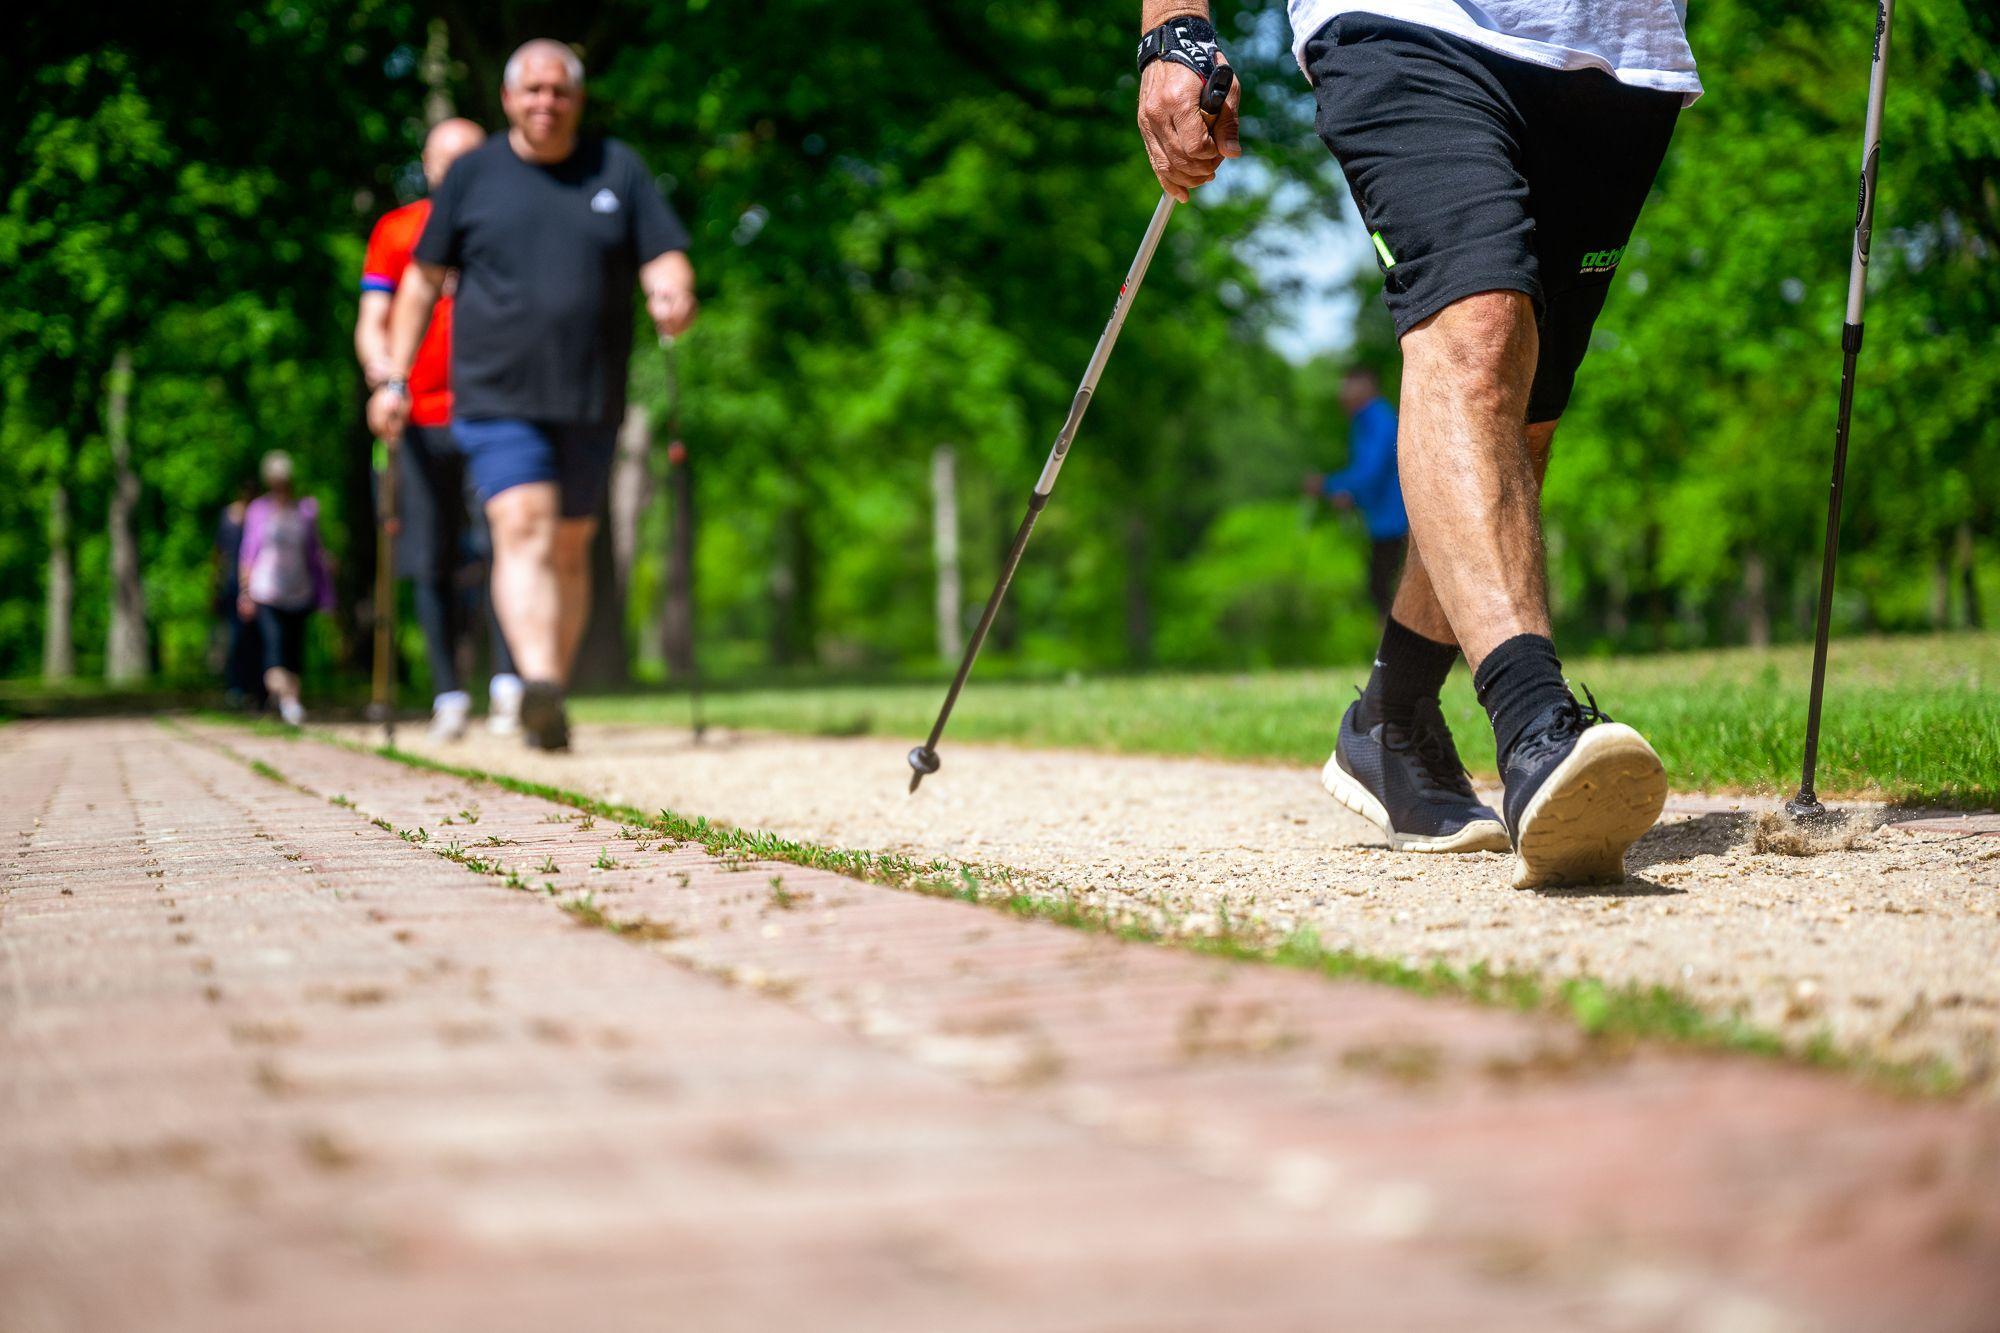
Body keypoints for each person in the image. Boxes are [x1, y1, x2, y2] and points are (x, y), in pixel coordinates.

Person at [1136, 2, 1685, 885]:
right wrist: (1173, 29)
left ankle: (1390, 724)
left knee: (1523, 425)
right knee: (1477, 332)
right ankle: (1534, 725)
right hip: (1406, 21)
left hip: (1617, 50)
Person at [369, 39, 698, 751]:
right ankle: (539, 685)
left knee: (573, 546)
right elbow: (422, 280)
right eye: (533, 91)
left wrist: (673, 289)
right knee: (522, 524)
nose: (546, 103)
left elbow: (662, 251)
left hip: (589, 392)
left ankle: (549, 683)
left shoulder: (618, 168)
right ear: (509, 99)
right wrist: (395, 376)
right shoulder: (475, 175)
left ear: (578, 100)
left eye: (560, 91)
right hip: (492, 392)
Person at [356, 117, 523, 742]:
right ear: (426, 165)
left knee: (508, 545)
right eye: (444, 160)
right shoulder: (397, 231)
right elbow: (373, 318)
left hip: (494, 410)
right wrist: (383, 378)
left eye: (469, 159)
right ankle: (448, 694)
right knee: (428, 558)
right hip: (418, 418)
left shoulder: (509, 227)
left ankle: (510, 688)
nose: (456, 170)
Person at [1303, 366, 1408, 620]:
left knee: (1386, 591)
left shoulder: (1378, 420)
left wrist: (1329, 485)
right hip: (1383, 521)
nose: (1342, 393)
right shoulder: (1363, 421)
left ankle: (1391, 655)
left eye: (1348, 385)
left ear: (1367, 386)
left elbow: (1370, 471)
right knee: (1382, 589)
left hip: (1397, 521)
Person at [239, 451, 334, 727]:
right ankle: (287, 700)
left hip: (299, 591)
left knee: (294, 652)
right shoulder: (258, 510)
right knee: (274, 648)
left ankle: (289, 700)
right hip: (266, 591)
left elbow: (315, 555)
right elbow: (248, 554)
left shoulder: (305, 510)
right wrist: (244, 592)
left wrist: (326, 594)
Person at [214, 478, 267, 710]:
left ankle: (257, 689)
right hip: (233, 586)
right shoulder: (228, 517)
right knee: (235, 639)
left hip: (261, 586)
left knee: (258, 640)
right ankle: (235, 687)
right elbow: (218, 554)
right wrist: (215, 586)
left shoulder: (263, 517)